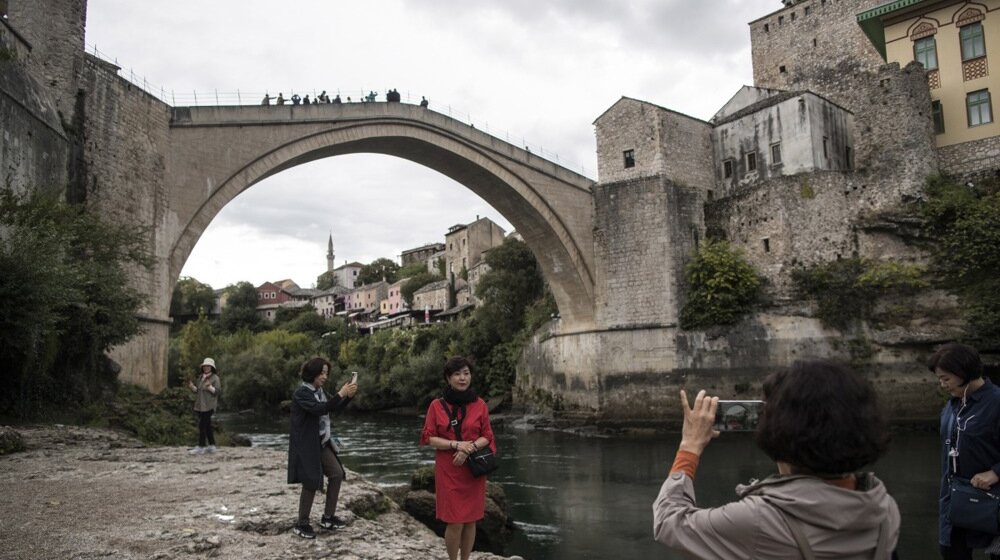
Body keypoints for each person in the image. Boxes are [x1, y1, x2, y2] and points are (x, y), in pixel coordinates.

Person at [653, 359, 900, 559]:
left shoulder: (759, 521)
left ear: (781, 428)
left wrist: (690, 446)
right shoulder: (884, 508)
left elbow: (669, 523)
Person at [420, 357, 497, 560]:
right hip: (449, 468)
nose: (462, 378)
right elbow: (429, 438)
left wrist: (468, 448)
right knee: (454, 521)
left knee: (471, 520)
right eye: (457, 374)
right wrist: (455, 445)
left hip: (472, 469)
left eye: (466, 373)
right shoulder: (436, 406)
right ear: (448, 378)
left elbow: (487, 436)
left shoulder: (480, 404)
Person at [930, 343, 1000, 559]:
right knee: (951, 552)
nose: (942, 384)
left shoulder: (997, 401)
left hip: (994, 502)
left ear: (963, 373)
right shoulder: (953, 404)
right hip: (955, 500)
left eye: (946, 378)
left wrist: (996, 472)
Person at [287, 358, 357, 539]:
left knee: (337, 473)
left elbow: (331, 409)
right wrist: (340, 394)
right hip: (306, 444)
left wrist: (347, 397)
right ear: (312, 373)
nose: (325, 377)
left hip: (322, 442)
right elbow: (320, 409)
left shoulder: (320, 391)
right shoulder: (302, 393)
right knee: (310, 480)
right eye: (322, 373)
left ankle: (328, 518)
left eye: (326, 373)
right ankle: (302, 524)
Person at [187, 357, 221, 455]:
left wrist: (209, 386)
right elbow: (198, 391)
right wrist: (192, 387)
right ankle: (212, 446)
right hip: (200, 405)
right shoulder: (200, 377)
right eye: (205, 366)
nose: (206, 368)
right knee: (207, 426)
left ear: (212, 367)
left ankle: (201, 446)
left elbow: (217, 392)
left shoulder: (215, 378)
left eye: (208, 366)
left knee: (202, 425)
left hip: (209, 405)